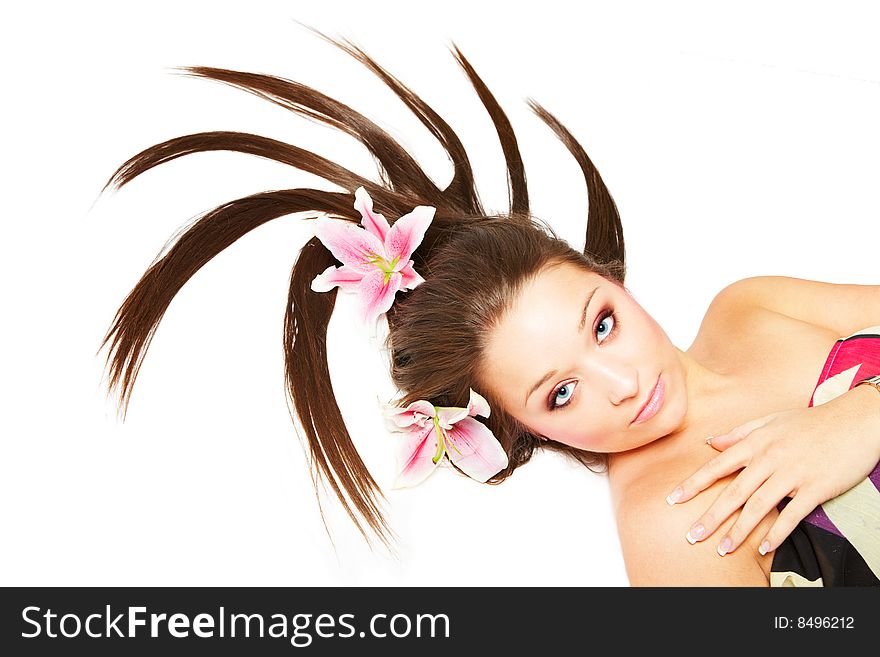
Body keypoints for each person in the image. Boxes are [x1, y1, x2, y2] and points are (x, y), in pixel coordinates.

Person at [98, 32, 880, 587]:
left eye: (601, 321)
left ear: (606, 273)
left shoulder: (749, 307)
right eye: (559, 392)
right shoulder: (675, 525)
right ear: (518, 427)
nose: (620, 382)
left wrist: (860, 418)